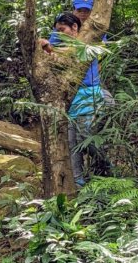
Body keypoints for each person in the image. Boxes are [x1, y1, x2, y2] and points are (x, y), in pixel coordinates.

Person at [39, 12, 104, 187]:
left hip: (89, 95)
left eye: (62, 30)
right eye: (57, 31)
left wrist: (50, 49)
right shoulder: (63, 44)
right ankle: (78, 181)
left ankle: (106, 166)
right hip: (73, 98)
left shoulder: (85, 42)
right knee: (71, 141)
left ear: (74, 27)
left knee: (85, 135)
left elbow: (70, 55)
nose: (59, 34)